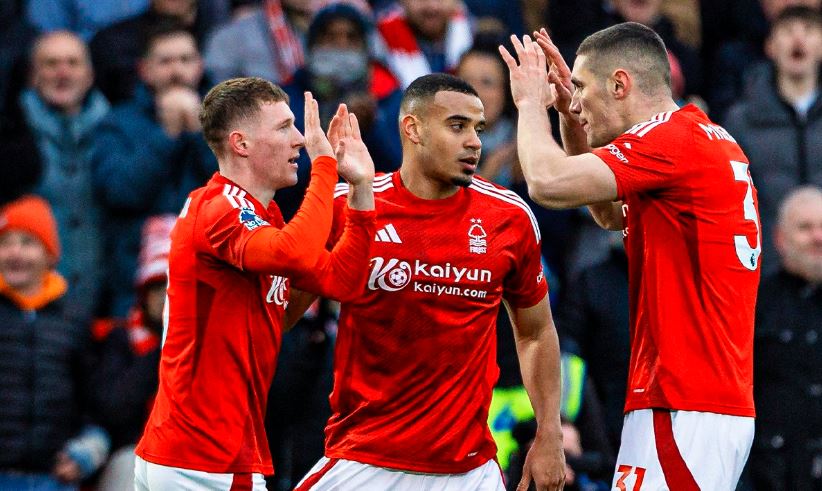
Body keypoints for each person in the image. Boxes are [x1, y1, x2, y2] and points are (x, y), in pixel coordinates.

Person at [500, 23, 760, 490]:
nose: (577, 101)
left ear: (619, 84)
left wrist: (528, 103)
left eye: (581, 88)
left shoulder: (669, 141)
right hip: (692, 400)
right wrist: (568, 117)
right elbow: (605, 213)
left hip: (685, 399)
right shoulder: (699, 139)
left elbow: (546, 182)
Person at [294, 73, 565, 491]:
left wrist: (550, 433)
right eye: (457, 126)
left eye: (478, 129)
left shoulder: (509, 218)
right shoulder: (351, 205)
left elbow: (536, 332)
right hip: (365, 459)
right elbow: (279, 316)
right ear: (413, 129)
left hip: (469, 471)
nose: (474, 142)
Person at [134, 77, 377, 490]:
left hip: (208, 452)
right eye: (284, 127)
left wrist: (361, 190)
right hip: (203, 457)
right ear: (241, 143)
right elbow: (295, 254)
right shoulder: (217, 206)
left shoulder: (265, 220)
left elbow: (343, 281)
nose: (300, 140)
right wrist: (324, 167)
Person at [92, 22, 216, 317]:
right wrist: (166, 136)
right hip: (135, 287)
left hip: (212, 279)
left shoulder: (223, 122)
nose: (177, 70)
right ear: (144, 69)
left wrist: (200, 133)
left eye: (185, 60)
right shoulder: (117, 123)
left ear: (199, 66)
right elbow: (120, 192)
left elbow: (239, 188)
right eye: (165, 61)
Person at [0, 195, 110, 490]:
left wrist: (88, 449)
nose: (14, 252)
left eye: (27, 242)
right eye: (5, 242)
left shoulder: (73, 320)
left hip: (53, 477)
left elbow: (91, 400)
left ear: (50, 254)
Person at [723, 5, 822, 276]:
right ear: (770, 46)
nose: (798, 39)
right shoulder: (740, 121)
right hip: (766, 272)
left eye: (809, 30)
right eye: (788, 31)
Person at [21, 31, 109, 319]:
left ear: (90, 75)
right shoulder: (13, 135)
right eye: (51, 63)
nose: (63, 72)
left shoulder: (116, 130)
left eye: (73, 63)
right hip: (31, 298)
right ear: (33, 75)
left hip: (104, 295)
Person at [90, 214, 175, 491]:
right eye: (158, 287)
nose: (167, 297)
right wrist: (163, 350)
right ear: (143, 293)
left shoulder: (210, 344)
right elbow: (113, 408)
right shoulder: (120, 338)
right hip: (131, 455)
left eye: (177, 286)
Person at [747, 185, 822, 490]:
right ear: (779, 237)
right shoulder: (754, 303)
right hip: (772, 474)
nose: (818, 237)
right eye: (805, 228)